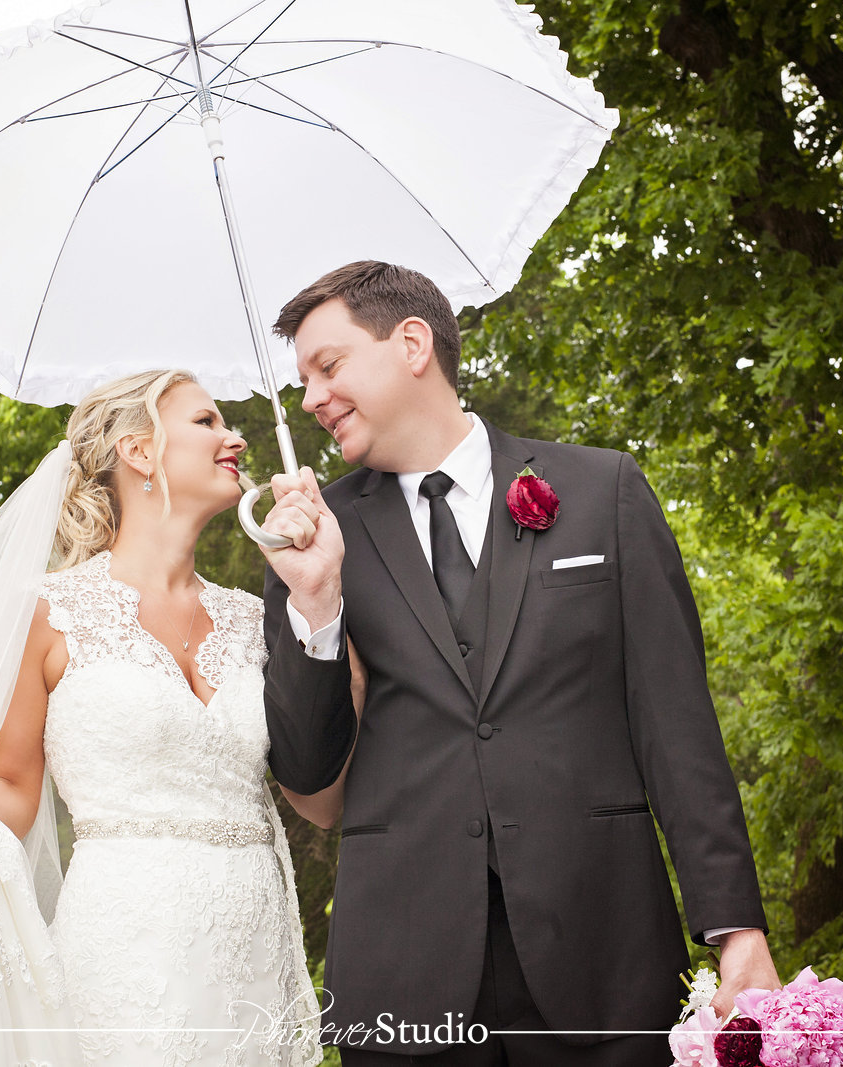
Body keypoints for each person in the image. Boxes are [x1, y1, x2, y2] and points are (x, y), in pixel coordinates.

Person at [257, 261, 780, 1066]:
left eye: (328, 366)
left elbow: (678, 728)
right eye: (302, 380)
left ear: (412, 343)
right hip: (406, 982)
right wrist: (317, 602)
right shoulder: (312, 538)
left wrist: (737, 932)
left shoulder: (603, 489)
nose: (311, 398)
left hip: (605, 956)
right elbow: (303, 763)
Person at [0, 369, 323, 1067]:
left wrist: (320, 585)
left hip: (259, 953)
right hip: (126, 949)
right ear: (139, 450)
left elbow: (318, 781)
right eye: (208, 421)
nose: (235, 436)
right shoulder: (47, 612)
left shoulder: (260, 617)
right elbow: (13, 785)